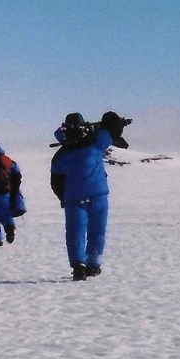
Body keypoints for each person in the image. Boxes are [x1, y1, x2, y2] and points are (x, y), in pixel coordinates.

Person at [49, 111, 131, 280]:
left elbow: (55, 182)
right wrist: (114, 121)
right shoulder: (97, 141)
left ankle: (79, 266)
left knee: (76, 232)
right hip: (98, 195)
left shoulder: (59, 156)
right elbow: (113, 129)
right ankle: (94, 265)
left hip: (74, 198)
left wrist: (63, 198)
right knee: (97, 231)